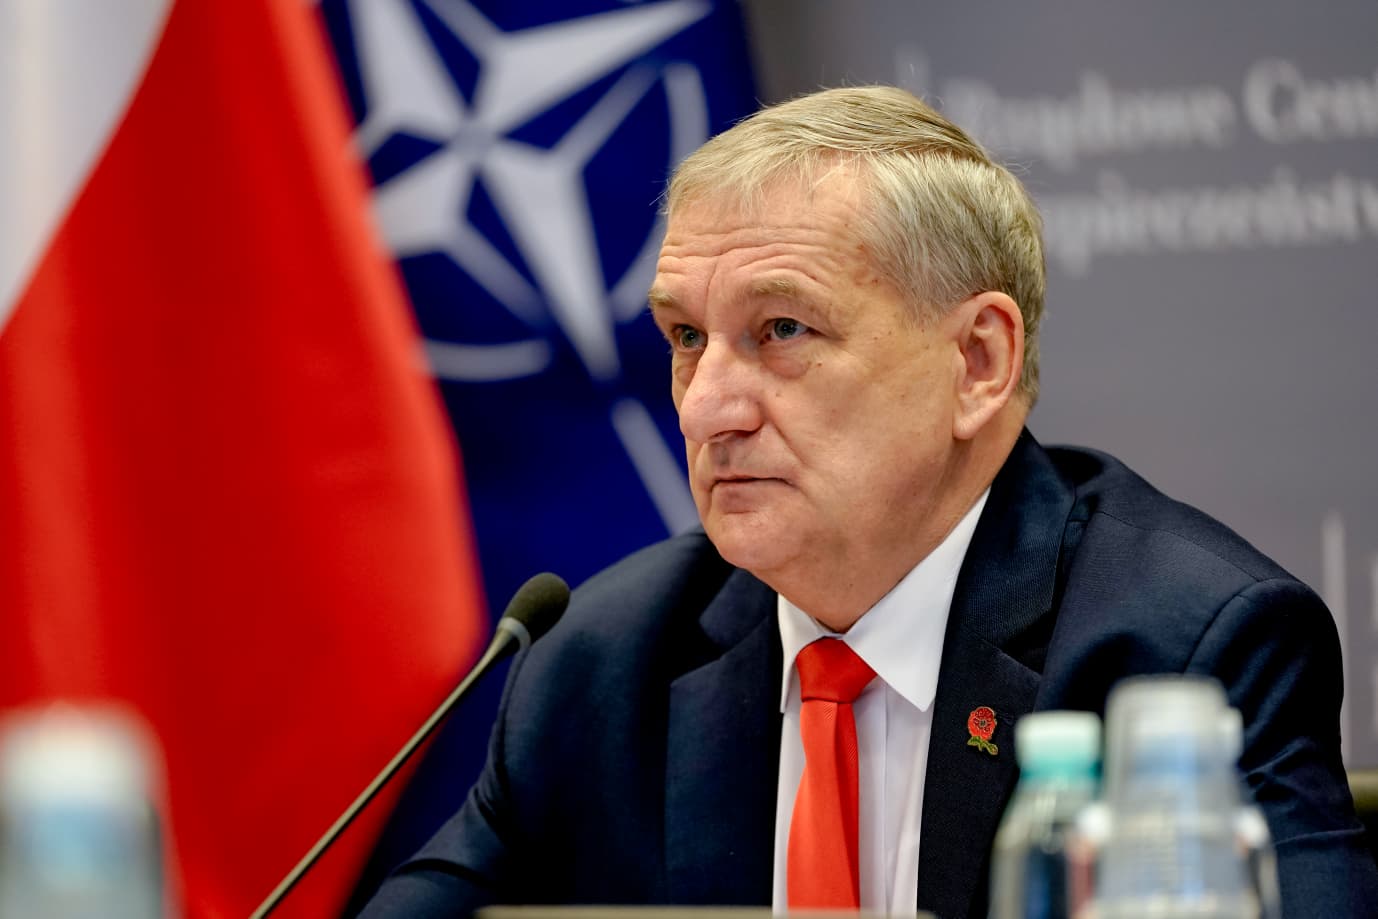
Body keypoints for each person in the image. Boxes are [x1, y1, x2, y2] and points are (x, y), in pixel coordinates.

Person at [360, 86, 1377, 917]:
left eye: (782, 330)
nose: (706, 405)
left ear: (977, 362)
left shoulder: (1187, 651)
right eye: (686, 338)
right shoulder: (602, 664)